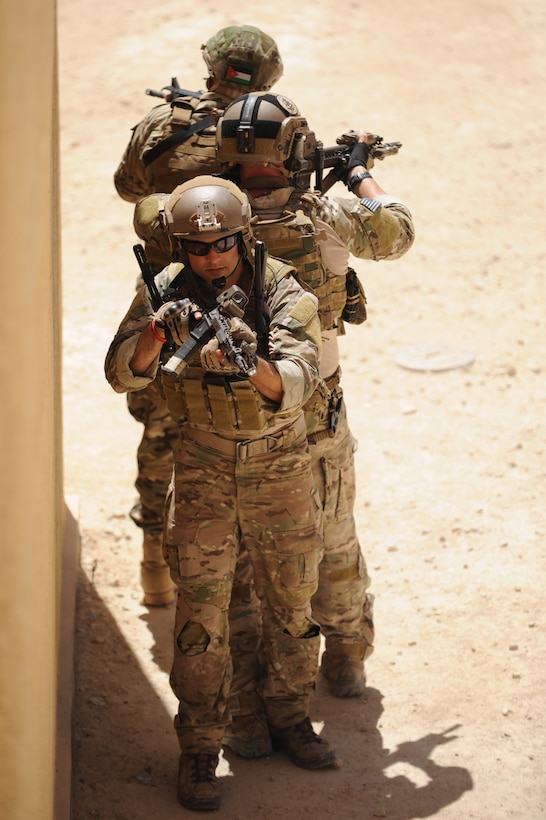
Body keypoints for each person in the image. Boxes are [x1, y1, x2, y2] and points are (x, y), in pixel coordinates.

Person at [104, 177, 338, 812]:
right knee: (199, 619)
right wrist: (156, 334)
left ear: (244, 237)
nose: (212, 257)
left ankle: (290, 716)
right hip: (204, 467)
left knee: (292, 603)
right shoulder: (164, 289)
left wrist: (249, 364)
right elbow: (120, 371)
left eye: (223, 244)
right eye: (198, 247)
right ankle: (201, 748)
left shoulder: (283, 286)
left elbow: (299, 378)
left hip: (279, 470)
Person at [213, 92, 415, 703]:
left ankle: (252, 686)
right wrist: (358, 173)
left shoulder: (213, 218)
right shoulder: (323, 213)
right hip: (317, 406)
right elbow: (396, 231)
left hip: (243, 409)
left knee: (247, 552)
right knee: (332, 533)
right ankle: (347, 655)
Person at [112, 25, 284, 606]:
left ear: (209, 68)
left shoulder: (163, 128)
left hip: (168, 293)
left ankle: (153, 569)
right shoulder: (274, 127)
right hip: (248, 296)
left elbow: (127, 187)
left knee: (161, 433)